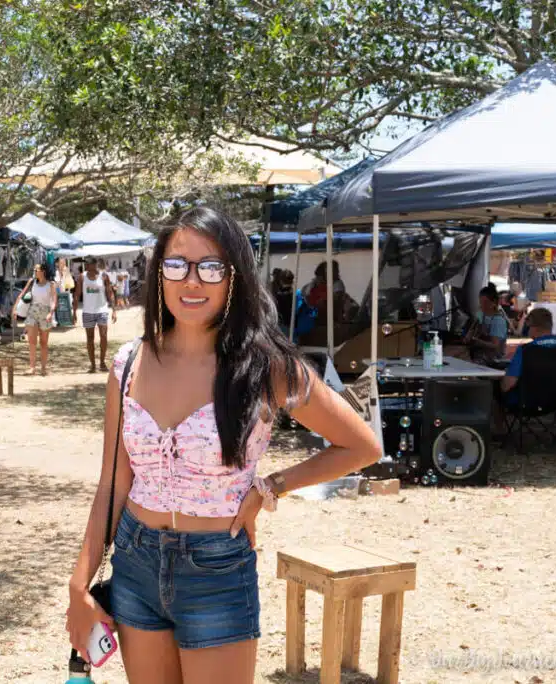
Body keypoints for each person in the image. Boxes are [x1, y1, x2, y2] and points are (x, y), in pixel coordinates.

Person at [65, 207, 381, 683]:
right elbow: (113, 480)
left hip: (216, 569)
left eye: (210, 267)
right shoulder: (128, 364)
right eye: (177, 265)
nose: (192, 282)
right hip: (134, 562)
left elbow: (360, 445)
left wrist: (271, 486)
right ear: (159, 273)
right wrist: (78, 584)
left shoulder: (264, 366)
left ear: (233, 275)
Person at [76, 257, 118, 373]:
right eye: (86, 264)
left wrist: (114, 310)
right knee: (90, 339)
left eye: (88, 264)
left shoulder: (104, 276)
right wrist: (74, 312)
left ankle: (102, 362)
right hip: (88, 311)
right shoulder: (82, 277)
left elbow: (110, 293)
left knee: (103, 336)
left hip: (102, 310)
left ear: (95, 264)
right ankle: (93, 365)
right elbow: (77, 294)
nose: (87, 266)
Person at [14, 263, 57, 376]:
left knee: (43, 342)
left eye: (36, 269)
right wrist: (15, 309)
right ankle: (32, 367)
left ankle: (43, 368)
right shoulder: (32, 282)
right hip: (32, 311)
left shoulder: (51, 284)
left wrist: (50, 313)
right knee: (32, 341)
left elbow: (53, 300)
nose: (34, 271)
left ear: (43, 271)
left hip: (45, 312)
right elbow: (21, 294)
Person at [465, 284, 509, 364]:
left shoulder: (498, 320)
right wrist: (469, 336)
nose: (482, 305)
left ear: (494, 303)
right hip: (479, 354)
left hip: (493, 359)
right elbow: (472, 329)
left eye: (485, 302)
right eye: (481, 302)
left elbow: (495, 345)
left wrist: (478, 342)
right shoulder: (481, 314)